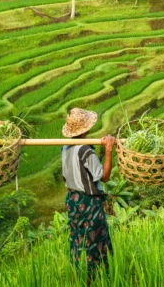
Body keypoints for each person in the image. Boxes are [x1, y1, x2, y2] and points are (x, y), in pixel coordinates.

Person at [61, 108, 116, 279]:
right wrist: (108, 151)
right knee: (95, 241)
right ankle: (95, 279)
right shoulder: (85, 150)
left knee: (77, 239)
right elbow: (104, 177)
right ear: (86, 129)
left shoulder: (65, 147)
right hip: (88, 203)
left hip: (72, 200)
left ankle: (77, 276)